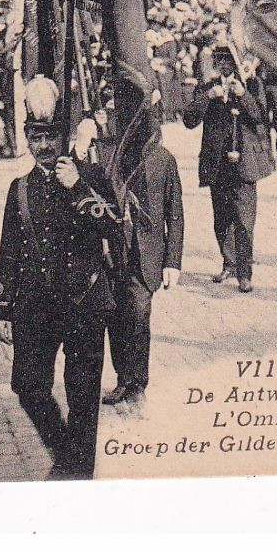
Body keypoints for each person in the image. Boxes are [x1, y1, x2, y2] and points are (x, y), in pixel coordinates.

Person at [0, 77, 117, 479]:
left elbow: (117, 230)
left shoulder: (92, 177)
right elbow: (9, 250)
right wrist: (2, 308)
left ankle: (78, 472)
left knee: (83, 394)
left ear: (63, 137)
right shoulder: (20, 188)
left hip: (85, 300)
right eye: (35, 137)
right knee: (27, 387)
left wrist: (78, 187)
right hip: (36, 305)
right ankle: (68, 454)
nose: (43, 146)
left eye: (50, 137)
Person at [181, 38, 274, 293]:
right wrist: (207, 98)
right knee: (221, 219)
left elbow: (262, 118)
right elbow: (188, 120)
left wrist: (243, 97)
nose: (222, 65)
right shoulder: (208, 86)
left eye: (227, 60)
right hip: (217, 163)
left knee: (244, 220)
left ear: (235, 63)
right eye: (219, 60)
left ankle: (245, 272)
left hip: (243, 163)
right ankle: (228, 262)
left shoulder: (252, 84)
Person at [101, 121, 183, 407]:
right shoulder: (109, 154)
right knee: (115, 317)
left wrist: (173, 262)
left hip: (146, 257)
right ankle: (123, 378)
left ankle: (138, 384)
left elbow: (174, 213)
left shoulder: (163, 159)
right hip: (114, 253)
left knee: (138, 316)